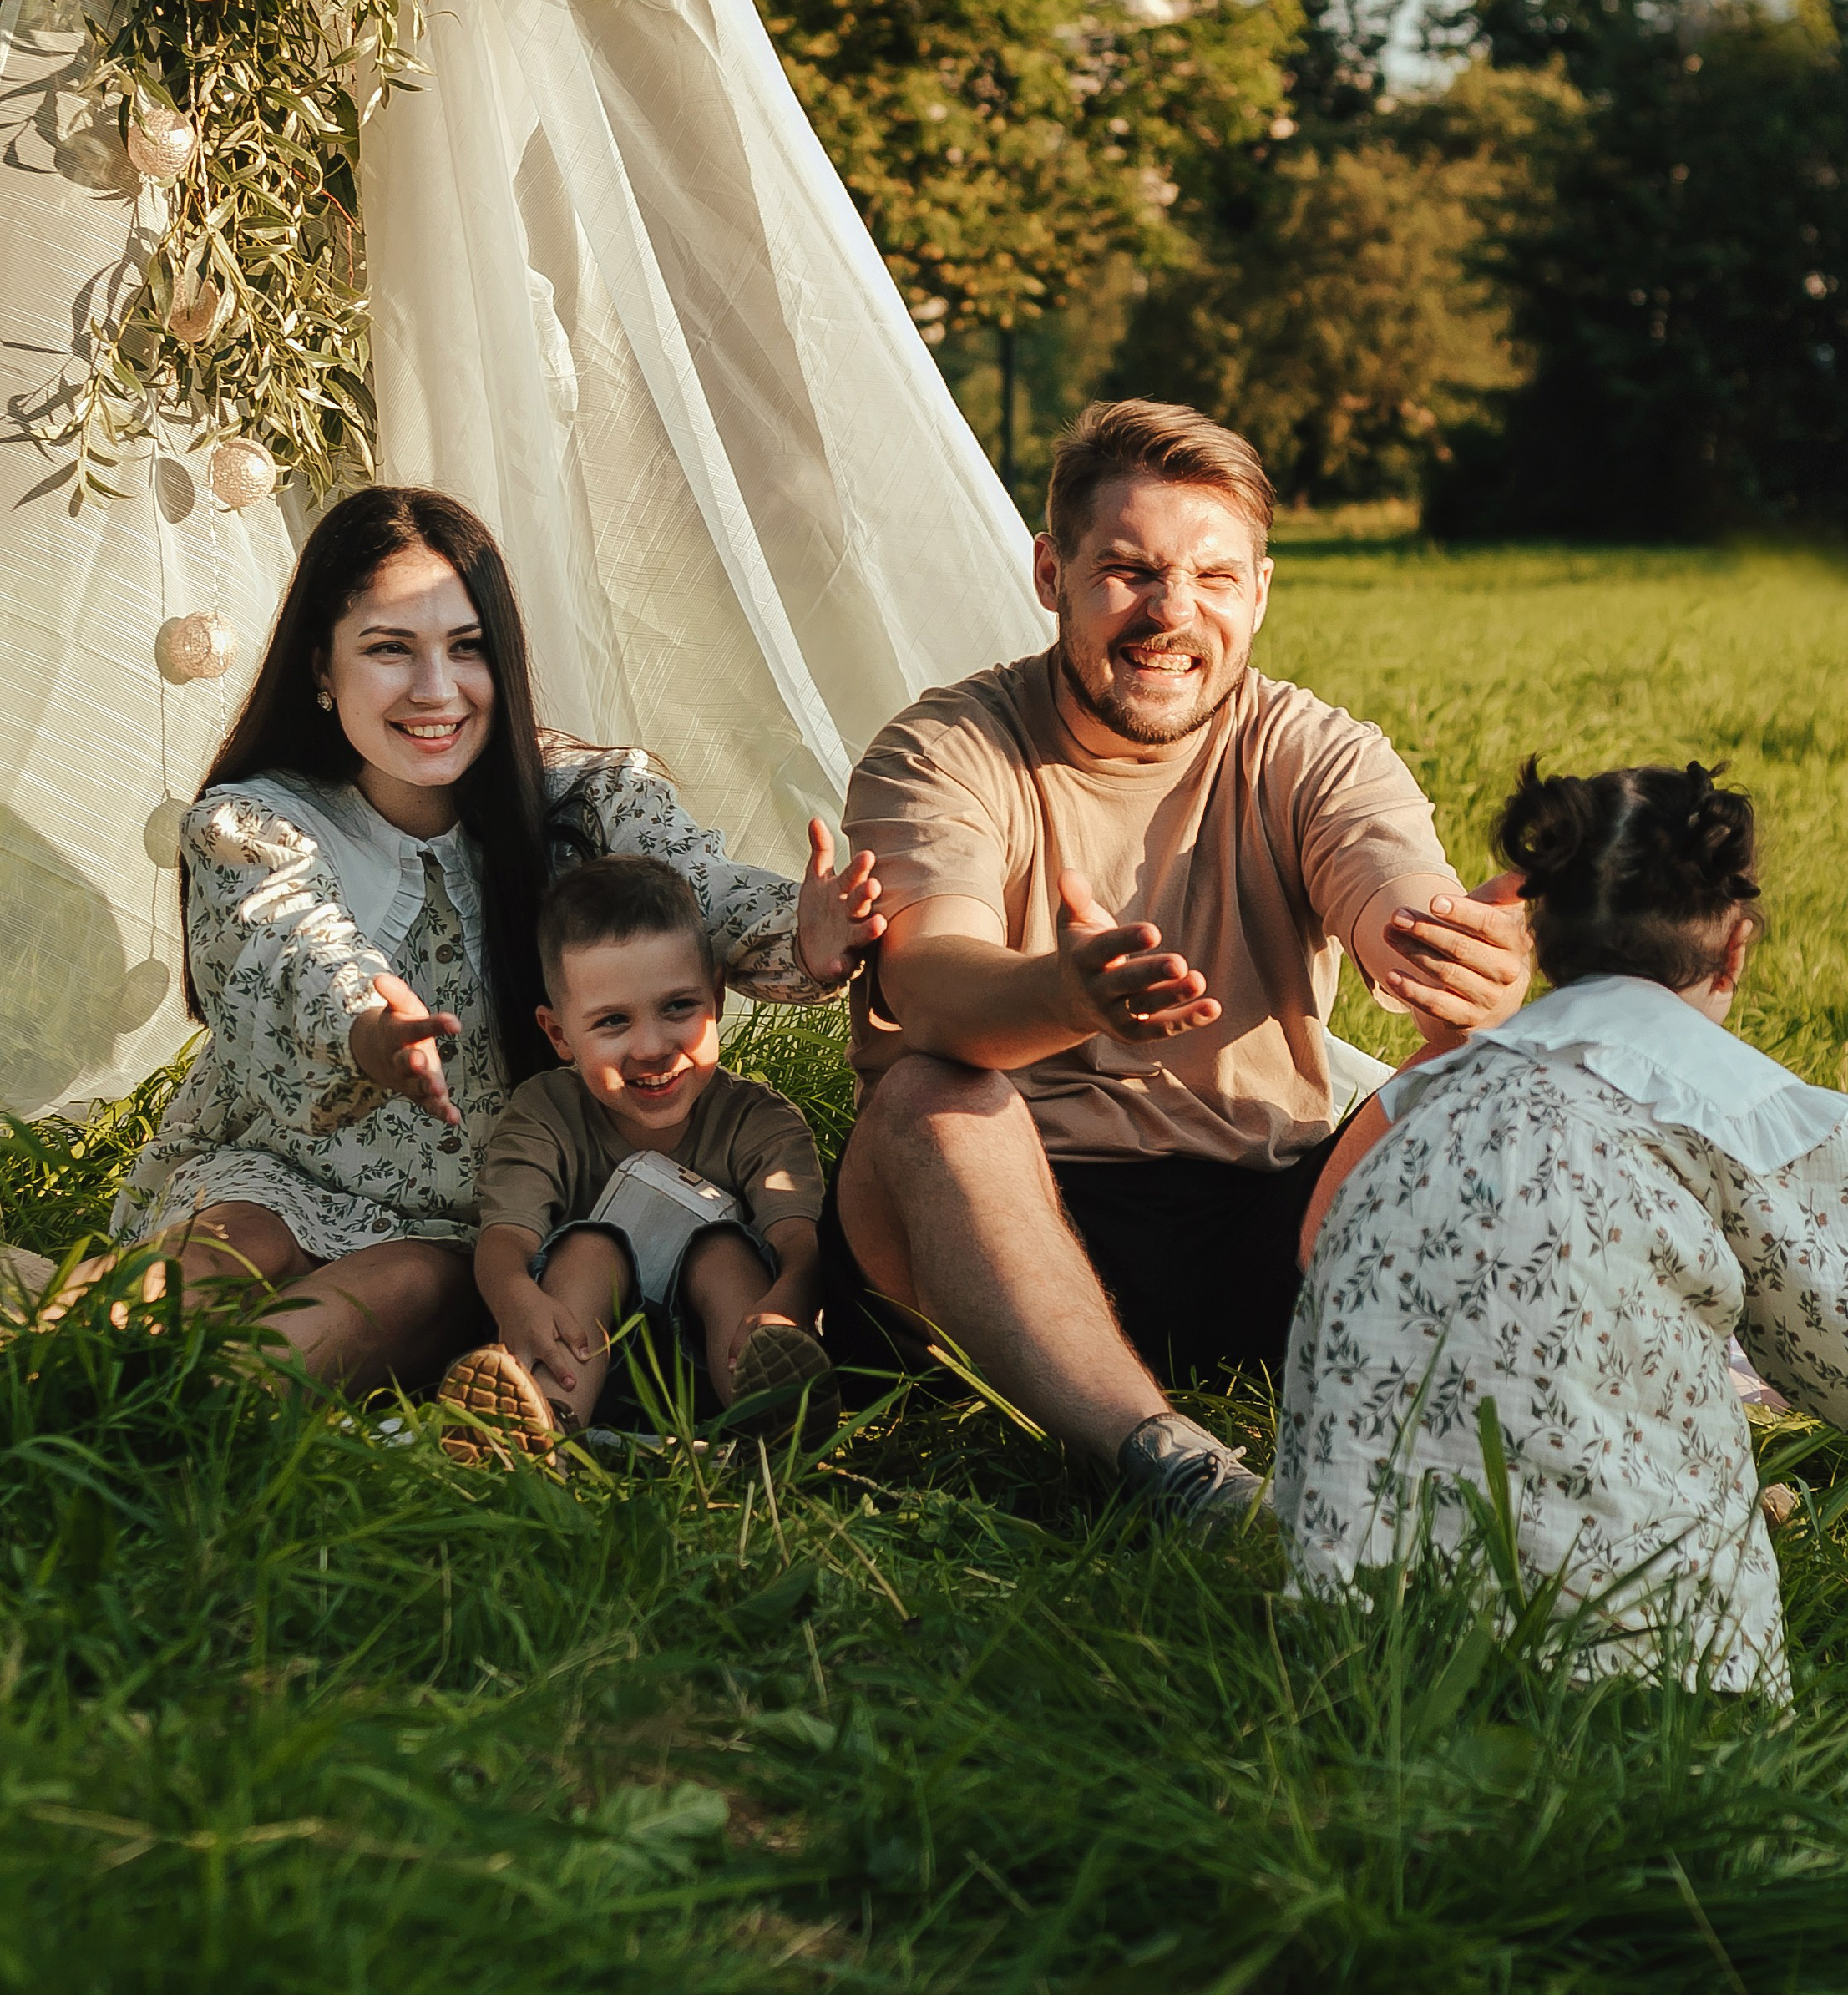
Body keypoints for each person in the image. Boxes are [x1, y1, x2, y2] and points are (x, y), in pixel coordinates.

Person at [822, 398, 1532, 1529]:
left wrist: (1462, 962)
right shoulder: (944, 749)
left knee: (1484, 1092)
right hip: (1003, 1212)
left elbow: (1396, 897)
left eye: (1212, 577)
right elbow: (927, 981)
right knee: (926, 1099)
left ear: (1259, 590)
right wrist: (1066, 993)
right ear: (1051, 570)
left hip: (1260, 1207)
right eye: (1129, 572)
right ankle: (1172, 1470)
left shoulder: (1314, 750)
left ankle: (1611, 1434)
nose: (1171, 614)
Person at [109, 486, 879, 1394]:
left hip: (465, 1227)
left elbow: (693, 890)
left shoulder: (581, 799)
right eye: (390, 648)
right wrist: (369, 1026)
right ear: (322, 664)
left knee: (372, 1296)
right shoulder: (259, 822)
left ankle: (164, 1419)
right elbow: (290, 945)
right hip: (274, 1165)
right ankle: (24, 1365)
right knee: (220, 1249)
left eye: (466, 648)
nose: (435, 691)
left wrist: (806, 931)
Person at [1276, 759, 1848, 1694]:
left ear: (1539, 936)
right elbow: (1840, 1312)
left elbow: (1316, 1240)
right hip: (1615, 1634)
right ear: (1734, 949)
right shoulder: (1725, 1098)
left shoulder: (1439, 1083)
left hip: (1357, 1590)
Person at [443, 856, 833, 1456]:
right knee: (589, 1249)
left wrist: (786, 1308)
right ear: (559, 1035)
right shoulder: (544, 1111)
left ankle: (770, 1421)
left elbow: (799, 1247)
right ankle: (536, 1427)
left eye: (678, 1006)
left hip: (712, 1368)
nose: (651, 1048)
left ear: (717, 996)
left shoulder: (760, 1121)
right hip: (580, 1360)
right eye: (613, 1021)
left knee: (723, 1250)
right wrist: (514, 1298)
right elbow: (506, 1239)